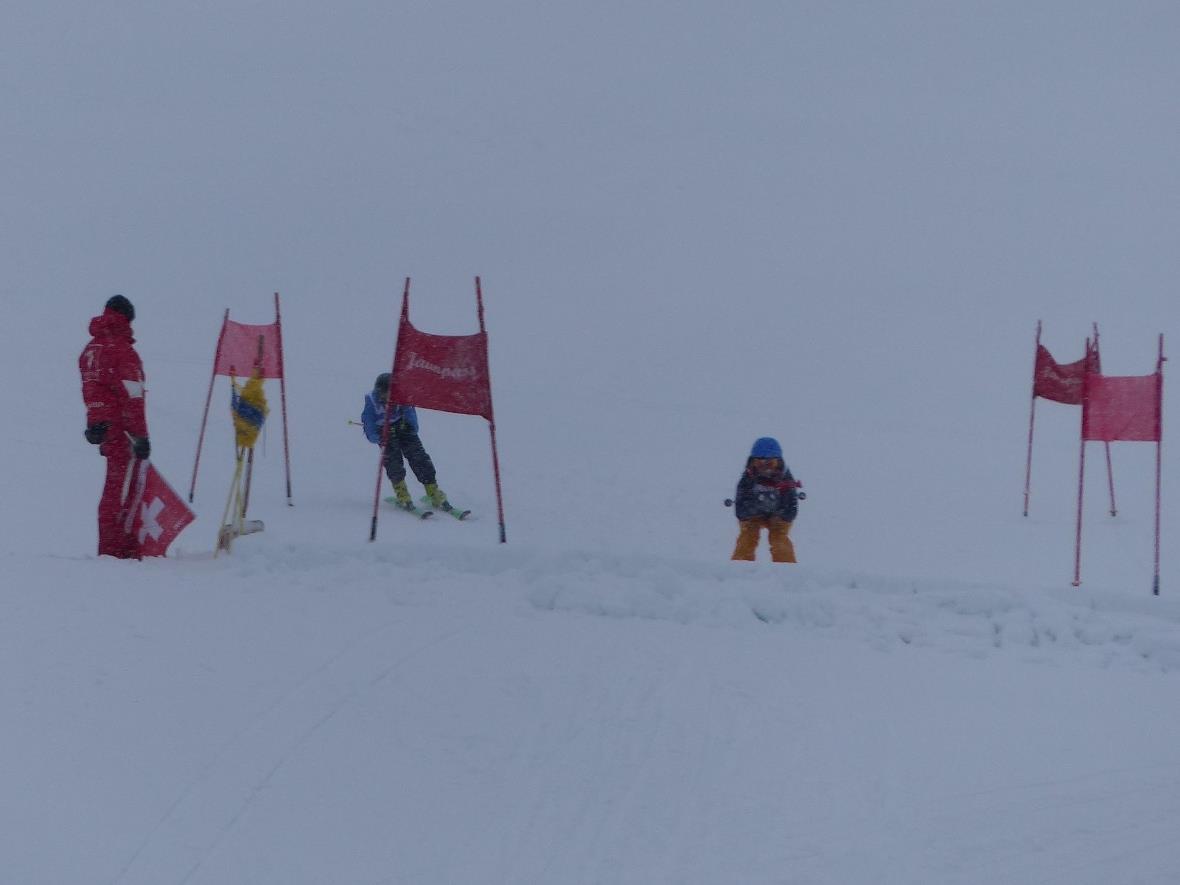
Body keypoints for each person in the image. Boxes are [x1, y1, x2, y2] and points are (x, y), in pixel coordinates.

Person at [79, 295, 151, 558]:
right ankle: (118, 550)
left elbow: (93, 391)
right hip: (124, 433)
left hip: (107, 430)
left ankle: (111, 548)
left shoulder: (91, 350)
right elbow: (133, 397)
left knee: (112, 490)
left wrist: (95, 423)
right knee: (124, 493)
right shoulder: (122, 351)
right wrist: (140, 436)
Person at [361, 372, 451, 512]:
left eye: (391, 393)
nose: (388, 397)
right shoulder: (372, 402)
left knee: (419, 458)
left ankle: (432, 490)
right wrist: (378, 437)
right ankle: (402, 493)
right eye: (385, 393)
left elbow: (410, 412)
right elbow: (368, 423)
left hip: (403, 429)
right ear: (379, 391)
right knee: (393, 462)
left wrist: (411, 427)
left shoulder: (402, 396)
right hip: (385, 433)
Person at [730, 437, 800, 563]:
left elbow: (791, 509)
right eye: (759, 463)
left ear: (778, 462)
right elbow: (740, 510)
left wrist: (779, 514)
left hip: (778, 516)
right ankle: (740, 565)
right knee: (747, 537)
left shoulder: (785, 479)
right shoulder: (748, 478)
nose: (766, 469)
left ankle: (786, 568)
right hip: (753, 515)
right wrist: (754, 509)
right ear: (753, 462)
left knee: (779, 539)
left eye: (770, 463)